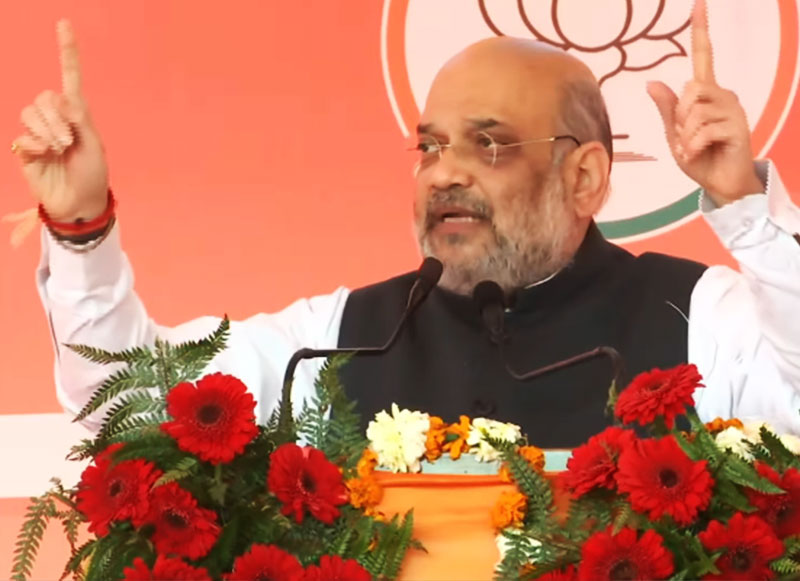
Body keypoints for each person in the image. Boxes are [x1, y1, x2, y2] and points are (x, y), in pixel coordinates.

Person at [12, 2, 800, 447]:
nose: (443, 172)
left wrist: (743, 203)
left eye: (488, 144)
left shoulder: (694, 316)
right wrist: (82, 231)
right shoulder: (342, 339)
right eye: (429, 146)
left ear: (585, 177)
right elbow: (132, 413)